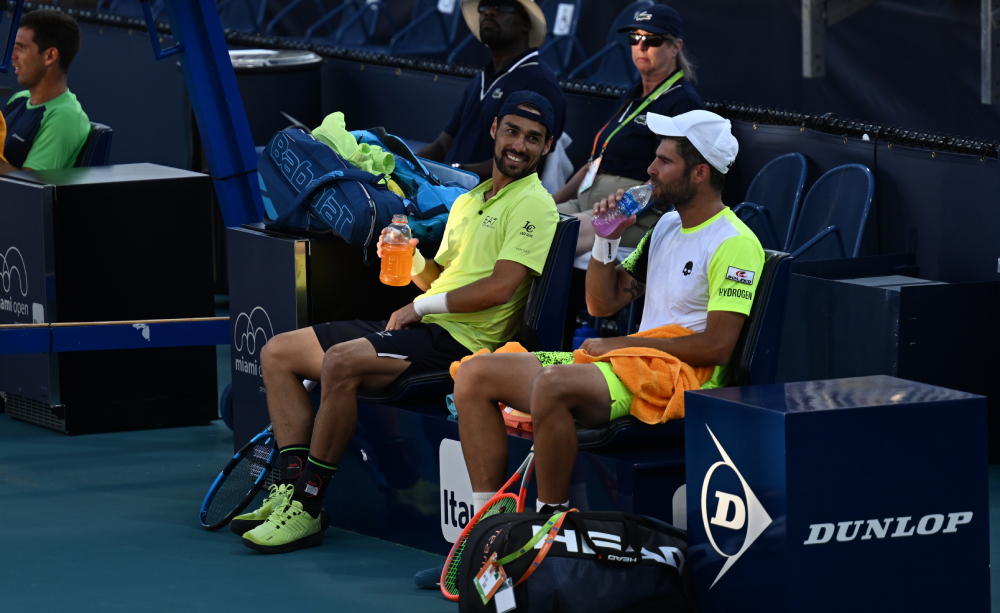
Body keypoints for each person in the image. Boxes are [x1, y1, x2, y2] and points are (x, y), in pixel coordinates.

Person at [235, 91, 560, 554]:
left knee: (342, 362)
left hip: (465, 344)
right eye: (512, 131)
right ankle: (287, 488)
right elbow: (443, 280)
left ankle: (307, 507)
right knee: (278, 353)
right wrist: (409, 258)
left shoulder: (535, 205)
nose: (519, 145)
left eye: (533, 138)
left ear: (545, 148)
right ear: (494, 130)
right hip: (429, 328)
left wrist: (421, 307)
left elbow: (500, 289)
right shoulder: (469, 201)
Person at [554, 4, 702, 256]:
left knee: (554, 236)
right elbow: (595, 161)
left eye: (652, 39)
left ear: (676, 47)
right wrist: (552, 200)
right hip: (586, 200)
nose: (641, 46)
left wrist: (621, 210)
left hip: (634, 214)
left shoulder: (682, 102)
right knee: (524, 220)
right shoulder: (632, 94)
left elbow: (671, 175)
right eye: (635, 37)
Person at [417, 0, 566, 181]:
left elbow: (518, 162)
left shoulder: (539, 84)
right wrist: (406, 161)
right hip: (450, 189)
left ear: (526, 24)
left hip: (490, 202)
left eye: (501, 6)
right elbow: (441, 147)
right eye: (484, 7)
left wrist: (455, 172)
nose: (489, 12)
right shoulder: (481, 79)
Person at [0, 10, 89, 173]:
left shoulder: (65, 117)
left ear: (50, 56)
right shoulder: (18, 99)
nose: (12, 56)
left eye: (21, 48)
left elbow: (29, 191)